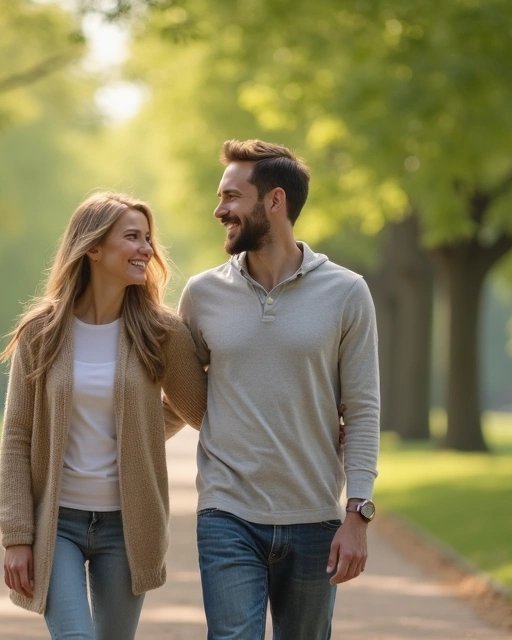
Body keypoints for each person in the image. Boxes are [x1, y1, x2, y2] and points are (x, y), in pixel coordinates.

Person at [176, 139, 381, 639]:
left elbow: (362, 408)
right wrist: (114, 441)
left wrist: (358, 513)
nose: (219, 210)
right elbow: (181, 398)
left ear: (274, 200)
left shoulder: (347, 292)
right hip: (226, 509)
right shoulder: (202, 294)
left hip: (314, 514)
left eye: (231, 197)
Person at [0, 192, 207, 639]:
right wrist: (16, 535)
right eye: (132, 237)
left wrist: (141, 432)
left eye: (147, 238)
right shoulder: (41, 333)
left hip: (127, 527)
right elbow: (17, 436)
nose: (146, 249)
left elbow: (203, 410)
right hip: (57, 525)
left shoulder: (161, 332)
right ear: (92, 247)